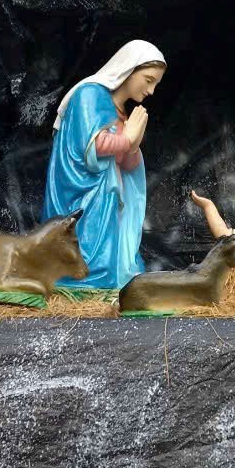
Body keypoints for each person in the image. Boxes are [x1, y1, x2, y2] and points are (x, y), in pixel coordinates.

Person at [42, 40, 167, 289]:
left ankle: (106, 277)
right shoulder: (90, 94)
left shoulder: (119, 111)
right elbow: (93, 146)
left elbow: (123, 163)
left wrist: (133, 146)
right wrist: (127, 140)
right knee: (88, 248)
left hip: (106, 195)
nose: (151, 91)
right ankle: (87, 278)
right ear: (129, 68)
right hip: (82, 193)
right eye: (148, 80)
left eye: (155, 84)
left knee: (109, 252)